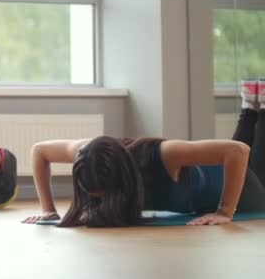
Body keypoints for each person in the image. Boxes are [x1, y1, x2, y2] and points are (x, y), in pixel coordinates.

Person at [23, 79, 265, 227]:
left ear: (120, 179)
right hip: (215, 183)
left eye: (102, 194)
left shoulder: (162, 155)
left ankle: (259, 107)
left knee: (254, 168)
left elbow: (238, 151)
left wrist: (224, 212)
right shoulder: (90, 153)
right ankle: (251, 106)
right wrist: (48, 209)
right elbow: (39, 151)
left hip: (242, 191)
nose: (99, 201)